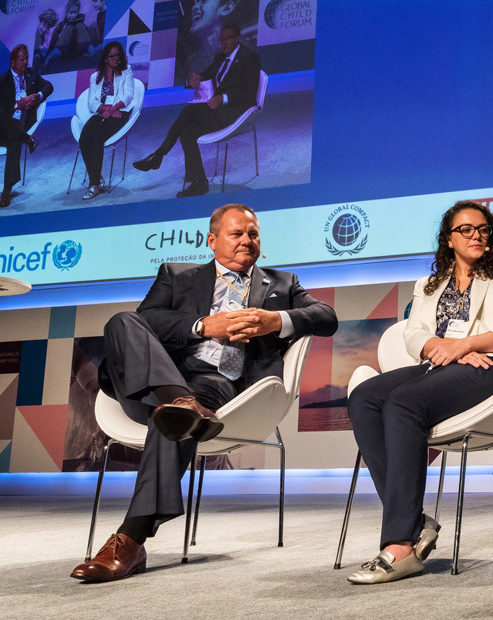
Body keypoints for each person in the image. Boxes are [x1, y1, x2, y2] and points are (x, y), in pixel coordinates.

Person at [70, 204, 338, 582]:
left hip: (219, 387)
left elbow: (326, 317)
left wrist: (273, 321)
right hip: (147, 383)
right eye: (236, 234)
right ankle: (179, 400)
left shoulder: (282, 283)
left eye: (253, 234)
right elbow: (149, 321)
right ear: (212, 241)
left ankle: (130, 537)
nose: (247, 240)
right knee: (123, 321)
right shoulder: (176, 275)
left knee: (175, 418)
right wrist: (201, 326)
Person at [344, 201, 493, 584]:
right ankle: (413, 521)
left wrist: (464, 347)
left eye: (484, 229)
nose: (477, 235)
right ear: (449, 239)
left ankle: (400, 546)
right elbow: (414, 333)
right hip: (441, 364)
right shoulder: (429, 284)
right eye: (466, 229)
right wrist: (436, 348)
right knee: (364, 397)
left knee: (403, 402)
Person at [133, 22, 261, 197]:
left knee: (190, 110)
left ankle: (159, 155)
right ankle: (199, 182)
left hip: (235, 112)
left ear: (237, 39)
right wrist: (193, 77)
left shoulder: (249, 57)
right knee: (187, 133)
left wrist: (222, 99)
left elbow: (249, 93)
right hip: (217, 113)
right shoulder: (221, 56)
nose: (223, 43)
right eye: (221, 39)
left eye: (227, 39)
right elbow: (206, 75)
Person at [77, 41, 136, 200]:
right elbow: (91, 102)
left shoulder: (126, 71)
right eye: (112, 56)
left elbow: (128, 95)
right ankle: (96, 177)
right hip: (101, 113)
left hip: (120, 113)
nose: (116, 59)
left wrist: (113, 109)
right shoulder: (95, 77)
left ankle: (94, 184)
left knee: (97, 138)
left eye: (118, 55)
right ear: (105, 59)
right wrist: (105, 109)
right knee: (84, 139)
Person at [1, 45, 54, 208]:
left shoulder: (31, 74)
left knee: (14, 140)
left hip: (23, 121)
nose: (26, 62)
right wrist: (18, 104)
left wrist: (37, 96)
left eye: (27, 58)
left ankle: (6, 190)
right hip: (4, 123)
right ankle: (26, 138)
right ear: (12, 62)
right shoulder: (3, 80)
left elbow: (49, 86)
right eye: (22, 59)